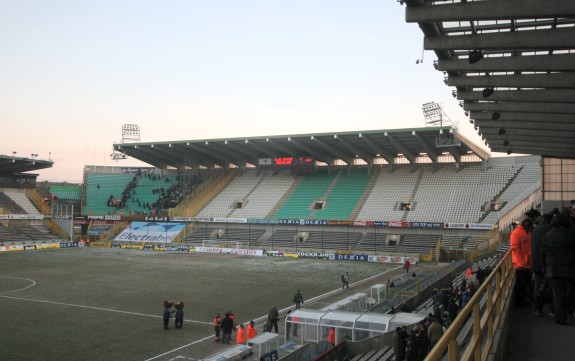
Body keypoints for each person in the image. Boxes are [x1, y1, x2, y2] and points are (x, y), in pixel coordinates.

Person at [542, 211, 575, 325]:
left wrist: (544, 268)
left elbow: (543, 253)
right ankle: (564, 313)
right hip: (569, 269)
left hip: (553, 269)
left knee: (557, 294)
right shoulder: (572, 234)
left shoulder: (548, 234)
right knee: (567, 293)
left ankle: (559, 317)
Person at [531, 211, 555, 316]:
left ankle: (537, 309)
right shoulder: (551, 230)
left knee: (538, 286)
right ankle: (553, 310)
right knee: (551, 287)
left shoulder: (536, 230)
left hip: (536, 263)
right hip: (548, 263)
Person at [510, 214, 534, 307]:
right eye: (525, 222)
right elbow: (515, 248)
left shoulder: (529, 233)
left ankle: (522, 300)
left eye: (528, 222)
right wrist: (523, 260)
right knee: (521, 285)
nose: (527, 223)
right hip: (520, 264)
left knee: (524, 285)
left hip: (527, 263)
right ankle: (519, 302)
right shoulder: (516, 233)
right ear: (522, 223)